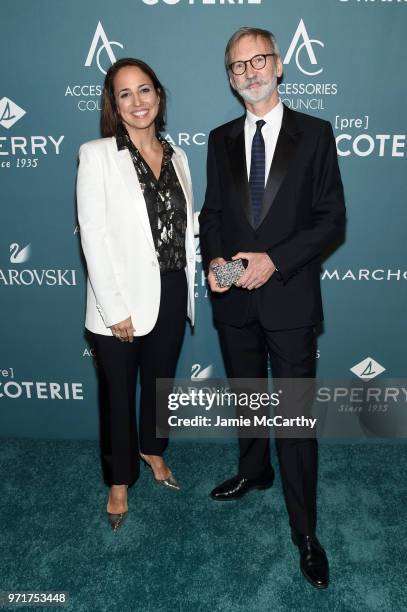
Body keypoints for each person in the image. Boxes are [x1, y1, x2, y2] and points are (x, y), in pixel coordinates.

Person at [199, 27, 345, 588]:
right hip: (234, 302)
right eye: (238, 66)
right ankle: (253, 472)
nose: (250, 72)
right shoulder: (218, 139)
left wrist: (273, 261)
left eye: (258, 60)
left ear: (280, 66)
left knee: (294, 420)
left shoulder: (316, 134)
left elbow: (331, 220)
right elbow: (213, 214)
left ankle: (305, 532)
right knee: (247, 398)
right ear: (231, 78)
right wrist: (216, 262)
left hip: (289, 302)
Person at [77, 58, 196, 531]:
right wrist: (114, 308)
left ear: (159, 96)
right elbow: (93, 233)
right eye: (125, 93)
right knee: (118, 394)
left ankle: (153, 450)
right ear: (114, 104)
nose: (137, 101)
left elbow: (185, 230)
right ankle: (120, 479)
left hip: (171, 288)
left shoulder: (179, 155)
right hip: (119, 299)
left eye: (144, 89)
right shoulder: (97, 154)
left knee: (160, 383)